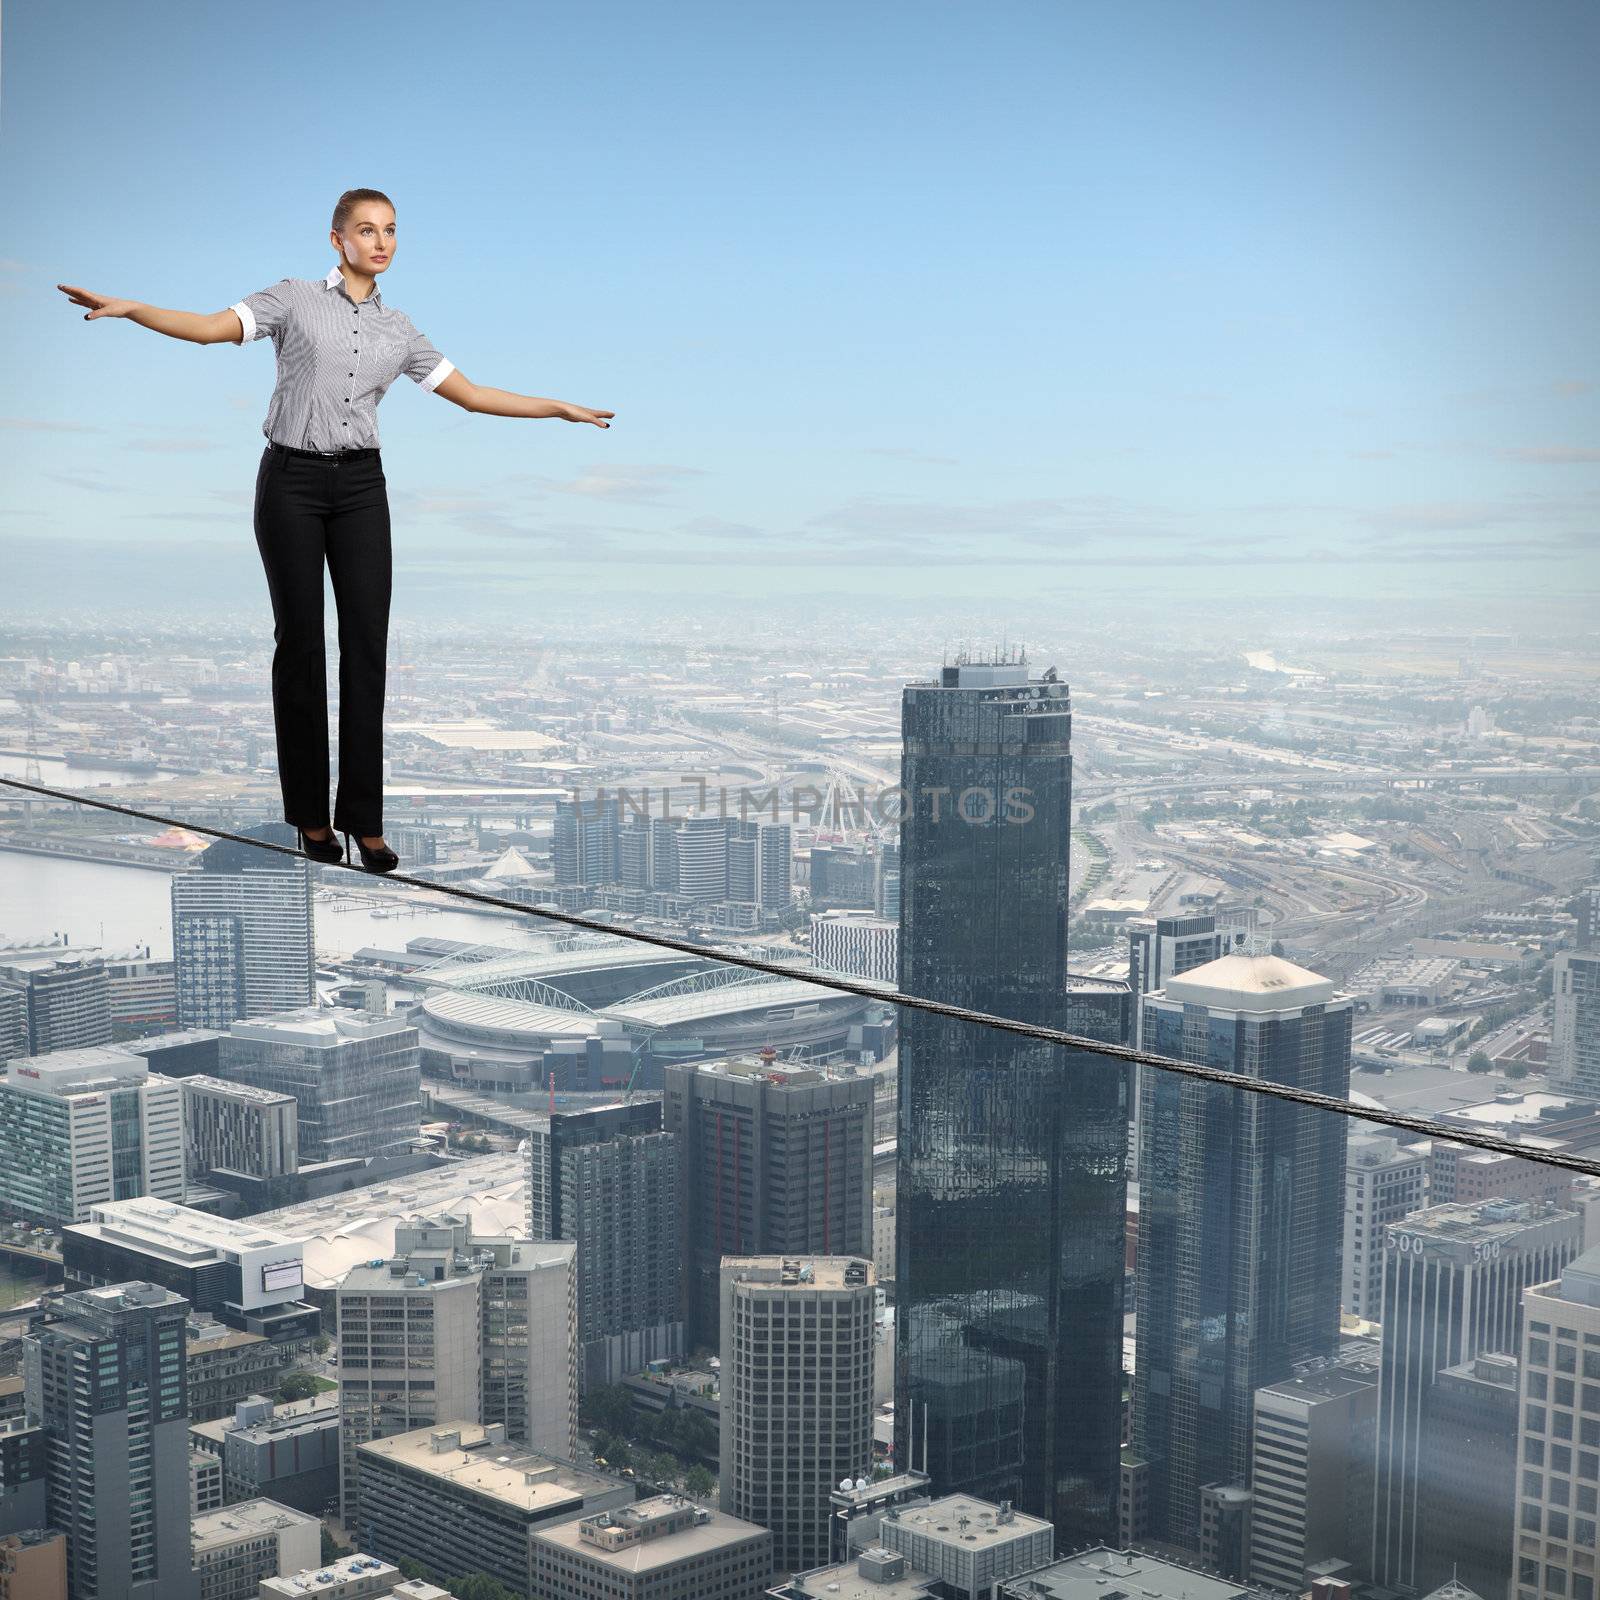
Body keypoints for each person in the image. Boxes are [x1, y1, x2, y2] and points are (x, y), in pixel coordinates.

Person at [57, 186, 614, 873]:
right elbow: (208, 329)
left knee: (367, 650)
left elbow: (471, 396)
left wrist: (556, 408)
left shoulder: (401, 330)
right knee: (300, 646)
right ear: (337, 239)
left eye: (390, 231)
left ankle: (365, 823)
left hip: (361, 488)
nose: (380, 242)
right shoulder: (292, 299)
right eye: (366, 230)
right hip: (290, 481)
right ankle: (311, 821)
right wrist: (132, 309)